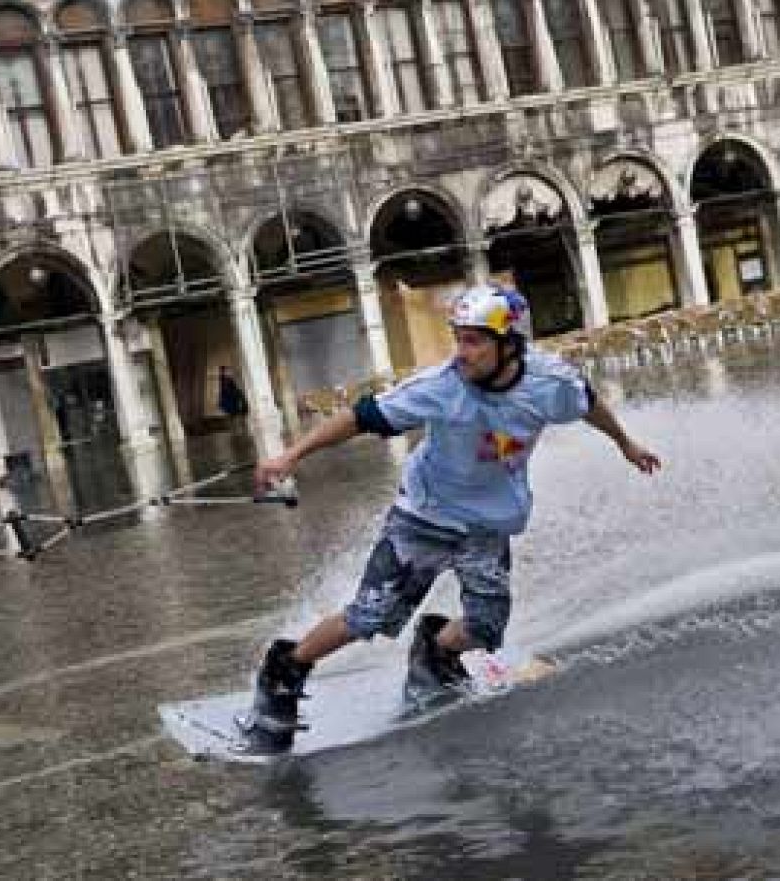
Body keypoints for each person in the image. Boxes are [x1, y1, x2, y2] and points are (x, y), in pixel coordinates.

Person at [238, 283, 661, 755]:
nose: (462, 352)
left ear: (508, 344)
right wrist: (291, 456)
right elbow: (360, 417)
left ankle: (435, 652)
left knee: (485, 627)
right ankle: (285, 670)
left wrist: (626, 443)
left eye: (474, 341)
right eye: (458, 338)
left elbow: (587, 403)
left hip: (488, 526)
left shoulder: (550, 382)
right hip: (424, 515)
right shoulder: (441, 386)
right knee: (370, 616)